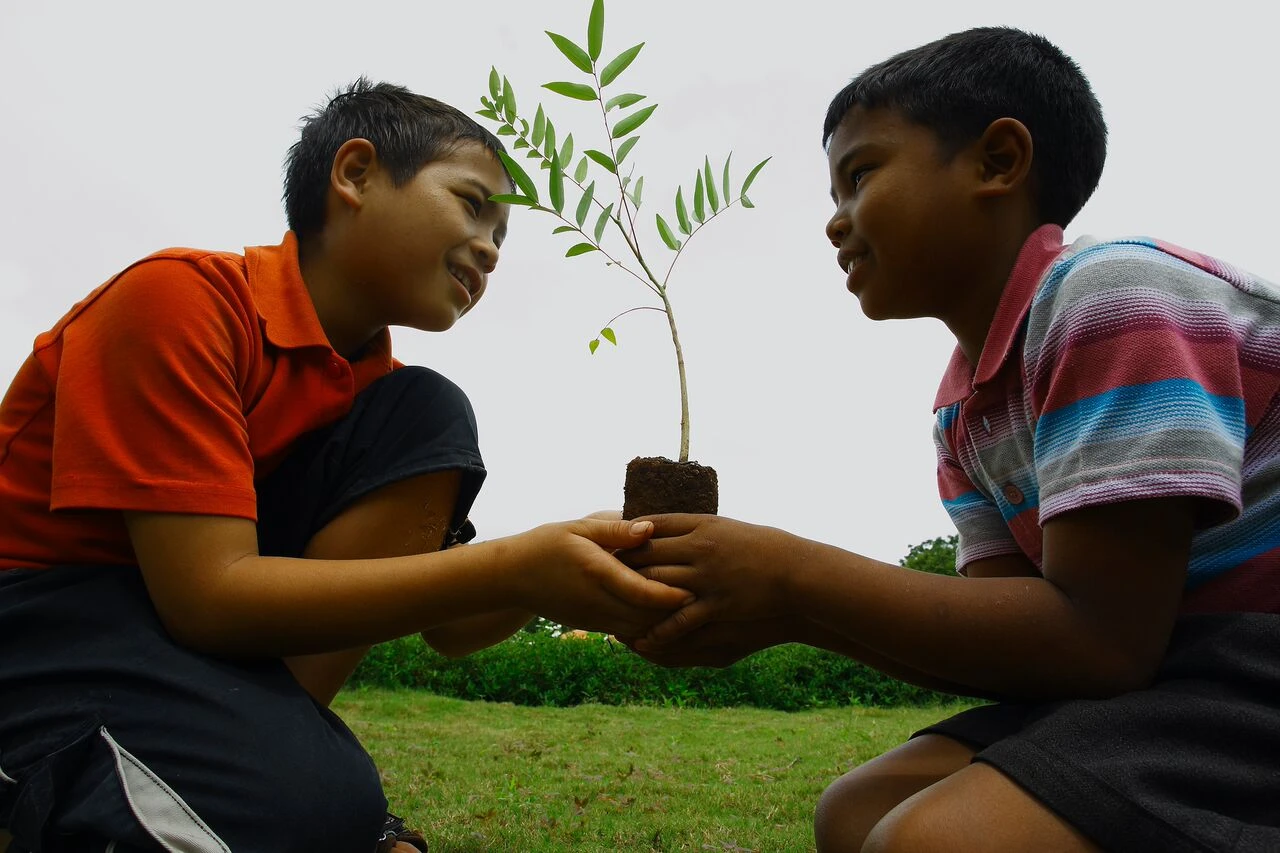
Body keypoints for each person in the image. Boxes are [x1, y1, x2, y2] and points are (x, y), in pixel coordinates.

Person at [620, 27, 1280, 853]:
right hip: (1170, 667)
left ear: (999, 161)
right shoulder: (963, 410)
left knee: (934, 838)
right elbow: (1016, 647)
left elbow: (1104, 640)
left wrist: (791, 577)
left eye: (859, 175)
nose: (834, 223)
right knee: (853, 812)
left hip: (1249, 657)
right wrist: (782, 614)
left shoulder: (1113, 296)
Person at [0, 79, 688, 853]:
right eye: (472, 206)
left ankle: (270, 748)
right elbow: (206, 596)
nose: (492, 249)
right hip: (43, 617)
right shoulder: (179, 300)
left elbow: (451, 625)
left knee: (429, 410)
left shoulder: (377, 401)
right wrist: (516, 568)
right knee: (319, 806)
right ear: (355, 174)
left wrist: (582, 568)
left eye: (503, 234)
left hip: (170, 638)